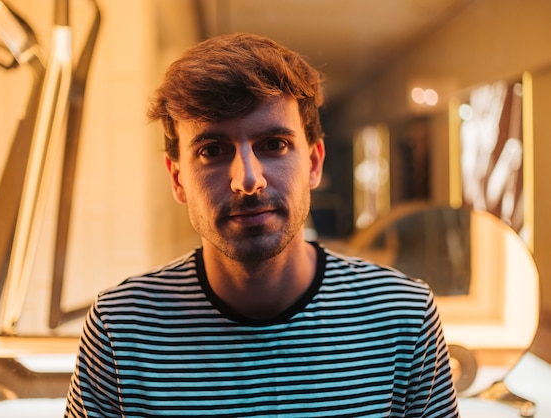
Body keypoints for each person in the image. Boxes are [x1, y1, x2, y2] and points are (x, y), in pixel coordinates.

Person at [64, 32, 460, 417]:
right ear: (178, 178)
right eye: (212, 150)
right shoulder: (122, 328)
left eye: (274, 144)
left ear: (314, 162)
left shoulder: (401, 315)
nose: (248, 180)